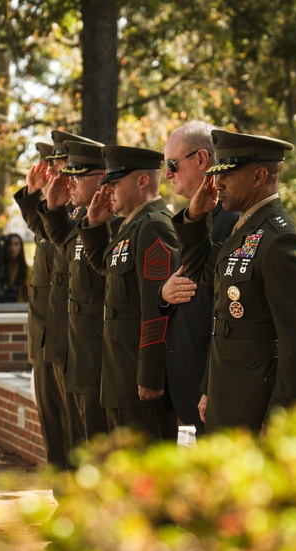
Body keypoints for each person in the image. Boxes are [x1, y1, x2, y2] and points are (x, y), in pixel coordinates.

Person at [174, 129, 296, 433]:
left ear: (258, 176)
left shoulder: (279, 239)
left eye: (227, 175)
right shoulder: (247, 229)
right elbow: (203, 272)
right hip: (229, 397)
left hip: (258, 408)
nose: (217, 183)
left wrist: (283, 417)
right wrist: (195, 218)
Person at [78, 145, 179, 441]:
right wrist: (95, 226)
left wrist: (150, 376)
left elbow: (157, 307)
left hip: (138, 380)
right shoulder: (130, 225)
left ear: (142, 181)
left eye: (115, 182)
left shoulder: (154, 226)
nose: (107, 189)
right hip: (119, 374)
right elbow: (107, 271)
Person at [13, 131, 89, 470]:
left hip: (67, 341)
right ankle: (64, 498)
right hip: (45, 337)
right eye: (53, 168)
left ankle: (75, 504)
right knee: (53, 429)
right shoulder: (57, 217)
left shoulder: (81, 218)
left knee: (74, 431)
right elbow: (42, 230)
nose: (57, 176)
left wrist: (44, 202)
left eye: (63, 168)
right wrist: (33, 195)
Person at [158, 121, 239, 434]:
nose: (167, 174)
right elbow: (180, 286)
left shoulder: (232, 222)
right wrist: (162, 294)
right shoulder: (190, 218)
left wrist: (210, 385)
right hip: (192, 386)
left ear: (202, 160)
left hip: (218, 388)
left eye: (172, 165)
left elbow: (227, 317)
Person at [38, 138, 112, 450]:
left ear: (103, 178)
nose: (70, 182)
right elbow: (60, 241)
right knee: (73, 437)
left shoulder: (109, 223)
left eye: (78, 176)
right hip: (74, 347)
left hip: (96, 353)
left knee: (92, 444)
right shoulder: (81, 221)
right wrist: (52, 207)